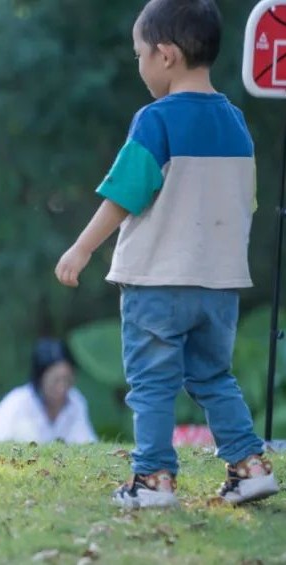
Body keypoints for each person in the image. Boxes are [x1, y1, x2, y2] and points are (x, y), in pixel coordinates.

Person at [55, 0, 278, 508]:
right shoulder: (236, 123)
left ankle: (153, 479)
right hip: (219, 285)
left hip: (158, 281)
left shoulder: (156, 120)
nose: (139, 65)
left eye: (139, 54)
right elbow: (248, 201)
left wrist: (82, 248)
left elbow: (124, 194)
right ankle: (249, 466)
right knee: (213, 377)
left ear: (166, 54)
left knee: (152, 384)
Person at [0, 338, 97, 445]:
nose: (62, 387)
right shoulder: (17, 403)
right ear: (40, 379)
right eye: (55, 381)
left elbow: (88, 443)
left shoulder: (75, 401)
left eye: (67, 380)